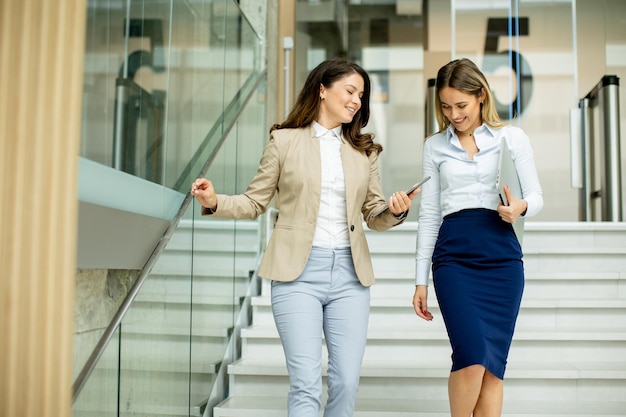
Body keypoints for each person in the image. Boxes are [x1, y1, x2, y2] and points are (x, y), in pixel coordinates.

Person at [192, 58, 419, 417]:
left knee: (346, 382)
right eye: (350, 91)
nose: (357, 100)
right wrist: (214, 200)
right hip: (297, 275)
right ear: (322, 89)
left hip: (350, 276)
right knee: (306, 383)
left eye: (361, 95)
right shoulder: (283, 141)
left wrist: (396, 209)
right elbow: (255, 202)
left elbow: (374, 214)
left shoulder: (365, 151)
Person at [412, 58, 543, 417]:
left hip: (501, 257)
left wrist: (520, 207)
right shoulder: (434, 146)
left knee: (493, 368)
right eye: (445, 106)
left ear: (481, 96)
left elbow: (536, 196)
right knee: (471, 357)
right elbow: (428, 214)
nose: (453, 114)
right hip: (454, 257)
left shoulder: (512, 137)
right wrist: (420, 279)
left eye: (461, 106)